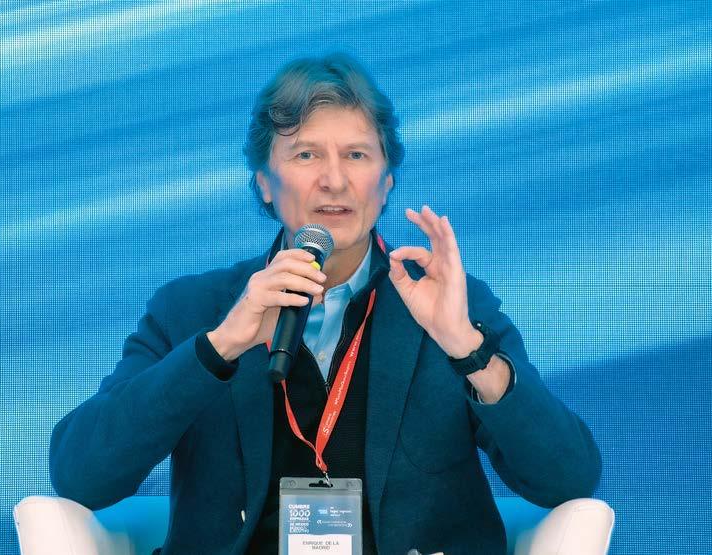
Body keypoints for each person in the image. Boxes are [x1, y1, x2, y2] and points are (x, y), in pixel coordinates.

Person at [50, 53, 601, 555]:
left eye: (356, 155)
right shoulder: (191, 308)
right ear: (265, 183)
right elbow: (81, 476)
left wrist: (467, 349)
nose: (334, 180)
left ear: (385, 183)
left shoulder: (452, 303)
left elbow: (568, 478)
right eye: (306, 154)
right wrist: (220, 347)